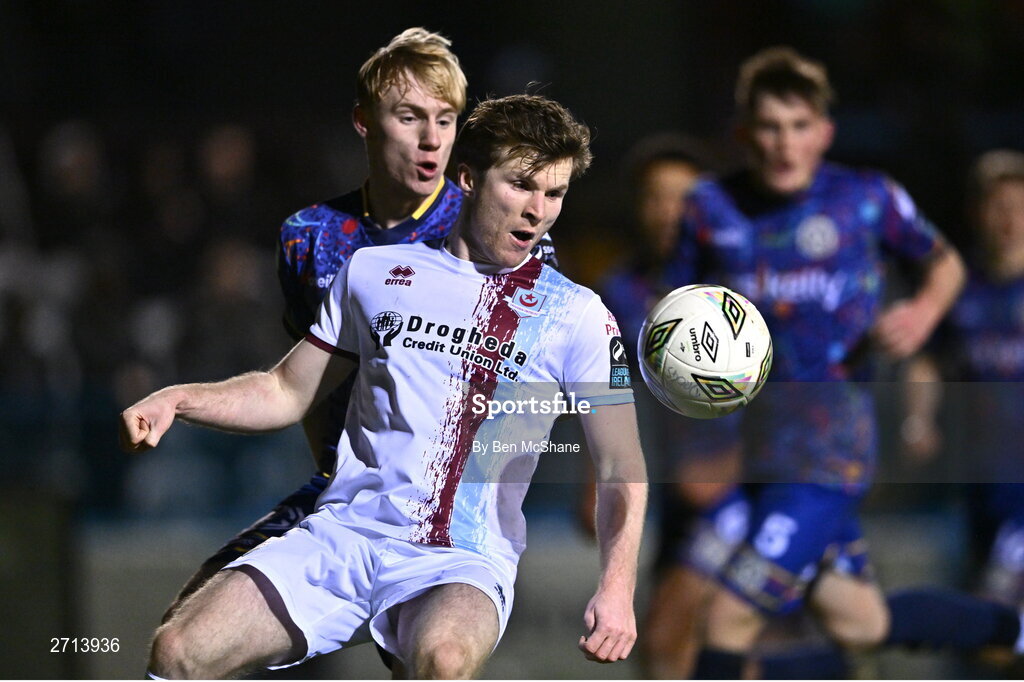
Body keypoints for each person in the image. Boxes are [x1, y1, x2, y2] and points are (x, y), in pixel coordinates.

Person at [121, 93, 647, 679]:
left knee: (443, 662)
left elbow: (622, 463)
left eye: (555, 193)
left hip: (459, 560)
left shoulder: (577, 315)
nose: (538, 210)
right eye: (521, 185)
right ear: (467, 177)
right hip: (343, 534)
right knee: (178, 650)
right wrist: (178, 398)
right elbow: (284, 391)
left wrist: (616, 590)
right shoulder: (376, 272)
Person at [163, 27, 558, 624]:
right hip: (344, 502)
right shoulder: (309, 238)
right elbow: (303, 386)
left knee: (430, 655)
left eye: (446, 120)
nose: (431, 140)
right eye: (409, 117)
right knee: (187, 628)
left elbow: (536, 383)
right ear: (364, 121)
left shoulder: (498, 231)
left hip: (448, 521)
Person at [668, 46, 1024, 679]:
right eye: (770, 127)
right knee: (860, 622)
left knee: (726, 621)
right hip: (754, 451)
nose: (784, 143)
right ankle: (1014, 629)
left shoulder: (865, 199)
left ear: (824, 133)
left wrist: (921, 314)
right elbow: (674, 317)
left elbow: (943, 263)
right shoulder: (709, 208)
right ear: (744, 133)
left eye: (799, 126)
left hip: (828, 455)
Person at [901, 149, 1024, 672]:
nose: (1010, 219)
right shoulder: (962, 286)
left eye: (1020, 205)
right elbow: (927, 361)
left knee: (995, 615)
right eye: (999, 205)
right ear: (978, 212)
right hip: (980, 479)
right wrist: (918, 418)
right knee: (985, 618)